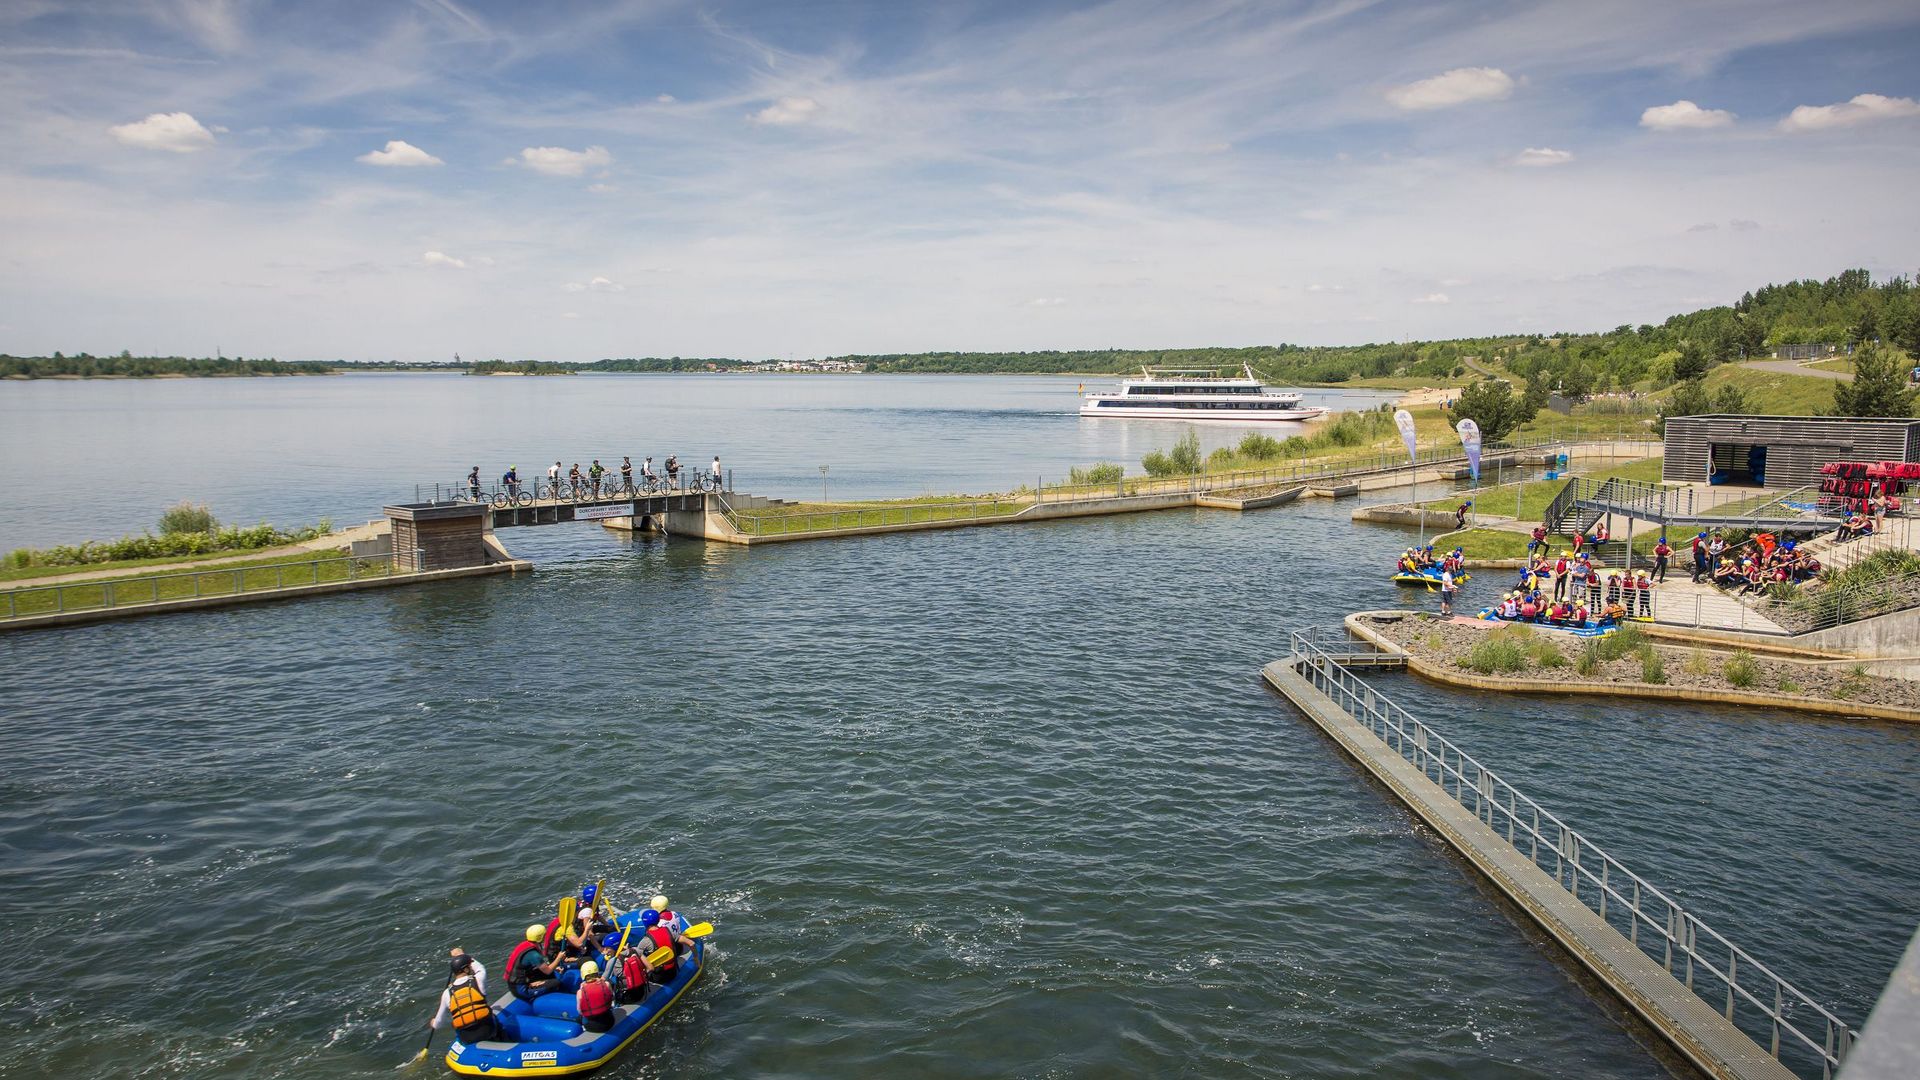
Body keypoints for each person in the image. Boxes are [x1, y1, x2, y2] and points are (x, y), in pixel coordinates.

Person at [431, 951, 502, 1045]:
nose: (471, 967)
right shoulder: (478, 979)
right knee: (496, 1020)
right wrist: (461, 954)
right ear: (466, 969)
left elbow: (438, 1023)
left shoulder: (446, 993)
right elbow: (480, 968)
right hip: (488, 1031)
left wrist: (433, 1023)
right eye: (469, 966)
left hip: (467, 1038)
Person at [506, 924, 567, 1001]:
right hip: (521, 990)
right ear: (540, 937)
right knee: (556, 983)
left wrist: (554, 967)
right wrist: (559, 958)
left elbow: (540, 966)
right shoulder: (534, 955)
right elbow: (548, 971)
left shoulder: (525, 945)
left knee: (553, 973)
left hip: (516, 983)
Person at [575, 960, 617, 1034]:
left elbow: (580, 1011)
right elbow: (612, 998)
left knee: (578, 1018)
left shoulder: (580, 992)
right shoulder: (606, 984)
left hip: (592, 1026)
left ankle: (583, 1030)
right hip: (609, 1022)